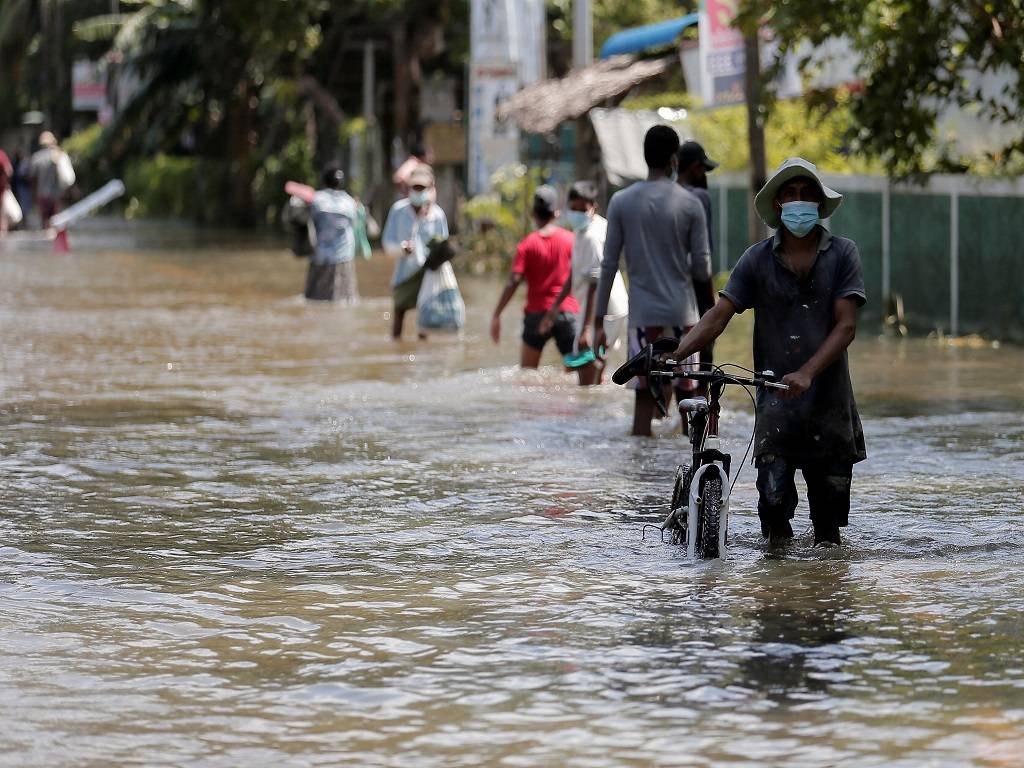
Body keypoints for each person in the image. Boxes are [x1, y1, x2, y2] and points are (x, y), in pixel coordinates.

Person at [665, 157, 866, 546]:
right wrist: (678, 352)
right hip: (776, 411)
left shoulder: (843, 254)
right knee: (773, 522)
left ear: (820, 204)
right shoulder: (756, 259)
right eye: (790, 194)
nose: (799, 201)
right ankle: (777, 598)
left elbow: (846, 326)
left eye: (807, 194)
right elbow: (718, 315)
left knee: (828, 530)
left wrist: (807, 372)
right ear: (777, 204)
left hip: (830, 409)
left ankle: (824, 600)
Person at [594, 125, 711, 436]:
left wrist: (596, 322)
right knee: (690, 406)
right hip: (684, 318)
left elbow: (608, 266)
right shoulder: (691, 204)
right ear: (675, 159)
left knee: (643, 406)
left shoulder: (621, 202)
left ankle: (643, 484)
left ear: (645, 157)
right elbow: (702, 269)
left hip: (645, 318)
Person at [541, 181, 628, 385]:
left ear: (593, 208)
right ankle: (597, 395)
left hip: (605, 309)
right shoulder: (588, 228)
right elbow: (575, 273)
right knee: (596, 360)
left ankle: (588, 411)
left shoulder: (592, 236)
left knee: (585, 363)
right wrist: (555, 307)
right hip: (605, 307)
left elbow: (595, 283)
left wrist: (587, 328)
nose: (577, 213)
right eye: (574, 208)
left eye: (583, 209)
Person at [490, 186, 578, 368]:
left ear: (533, 213)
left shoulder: (527, 244)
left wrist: (497, 314)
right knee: (575, 374)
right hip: (566, 313)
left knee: (528, 374)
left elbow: (513, 281)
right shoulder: (571, 240)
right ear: (556, 213)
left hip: (536, 315)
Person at [382, 165, 449, 339]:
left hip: (427, 275)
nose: (418, 191)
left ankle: (423, 358)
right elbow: (387, 244)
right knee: (399, 313)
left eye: (422, 188)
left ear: (430, 189)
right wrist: (401, 250)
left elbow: (444, 245)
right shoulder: (398, 211)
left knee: (424, 320)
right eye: (415, 188)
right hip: (403, 274)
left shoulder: (437, 215)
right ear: (409, 188)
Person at [677, 140, 720, 378]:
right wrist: (712, 305)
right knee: (702, 367)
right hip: (695, 293)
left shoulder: (664, 196)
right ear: (695, 168)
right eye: (704, 169)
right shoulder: (700, 197)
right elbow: (704, 256)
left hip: (664, 292)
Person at [305, 166, 360, 302]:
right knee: (346, 299)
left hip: (320, 255)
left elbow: (307, 222)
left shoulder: (316, 200)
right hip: (344, 256)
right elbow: (355, 226)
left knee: (315, 300)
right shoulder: (349, 202)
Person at [29, 131, 73, 229]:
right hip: (55, 192)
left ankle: (46, 235)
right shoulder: (58, 155)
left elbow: (32, 176)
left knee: (44, 219)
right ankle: (53, 237)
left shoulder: (36, 157)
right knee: (54, 219)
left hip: (41, 193)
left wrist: (33, 193)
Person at [0, 149, 14, 235]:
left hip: (1, 187)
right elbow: (9, 170)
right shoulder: (1, 154)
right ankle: (3, 230)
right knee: (2, 209)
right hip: (1, 187)